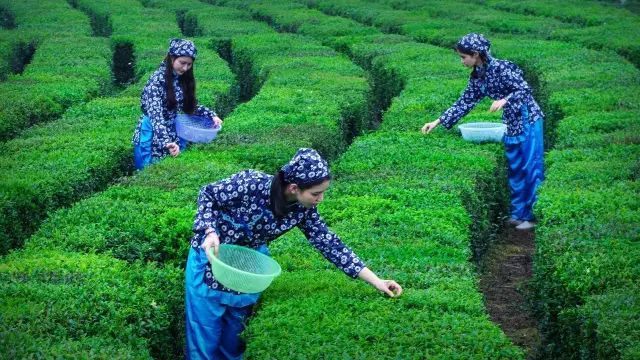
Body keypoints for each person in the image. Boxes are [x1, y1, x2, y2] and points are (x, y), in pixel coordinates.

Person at [185, 148, 403, 359]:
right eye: (316, 193)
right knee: (204, 337)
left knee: (233, 341)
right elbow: (208, 193)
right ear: (293, 188)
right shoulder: (250, 183)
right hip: (212, 259)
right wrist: (209, 231)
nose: (321, 199)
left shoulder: (302, 210)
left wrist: (377, 281)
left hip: (247, 266)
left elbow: (331, 244)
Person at [421, 33, 544, 230]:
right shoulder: (478, 75)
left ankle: (531, 216)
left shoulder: (502, 68)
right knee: (515, 168)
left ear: (476, 54)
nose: (462, 61)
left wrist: (505, 100)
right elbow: (465, 102)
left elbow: (524, 89)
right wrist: (438, 121)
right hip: (510, 122)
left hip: (528, 118)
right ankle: (518, 213)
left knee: (530, 167)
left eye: (463, 57)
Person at [132, 38, 222, 170]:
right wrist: (167, 142)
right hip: (152, 134)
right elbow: (156, 117)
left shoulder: (180, 79)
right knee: (150, 172)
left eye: (189, 64)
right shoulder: (156, 81)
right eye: (182, 63)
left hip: (173, 131)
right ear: (171, 58)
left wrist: (211, 115)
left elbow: (188, 105)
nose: (185, 68)